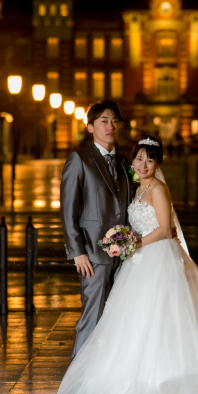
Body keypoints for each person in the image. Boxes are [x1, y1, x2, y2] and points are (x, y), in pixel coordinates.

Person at [54, 136, 198, 394]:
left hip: (156, 258)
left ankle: (166, 379)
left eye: (150, 159)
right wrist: (126, 243)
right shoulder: (136, 190)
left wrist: (132, 244)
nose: (143, 163)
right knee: (134, 319)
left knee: (162, 317)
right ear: (133, 160)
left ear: (158, 163)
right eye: (139, 158)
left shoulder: (158, 189)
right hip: (137, 262)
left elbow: (163, 229)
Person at [60, 99, 135, 359]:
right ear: (90, 127)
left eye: (115, 121)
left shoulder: (125, 163)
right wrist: (77, 252)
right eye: (103, 121)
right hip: (92, 254)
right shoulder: (80, 159)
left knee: (116, 320)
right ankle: (77, 383)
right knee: (91, 318)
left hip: (123, 254)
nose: (110, 126)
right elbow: (68, 209)